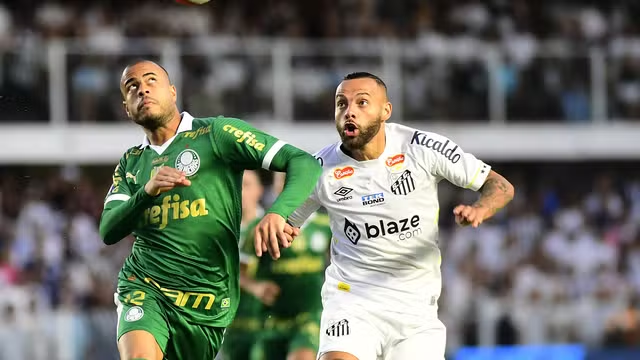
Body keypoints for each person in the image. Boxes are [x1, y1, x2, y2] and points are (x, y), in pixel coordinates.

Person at [278, 72, 515, 360]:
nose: (349, 111)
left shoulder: (422, 148)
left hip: (415, 311)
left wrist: (481, 209)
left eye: (362, 102)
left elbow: (500, 186)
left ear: (385, 111)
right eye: (341, 104)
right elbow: (284, 223)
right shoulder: (320, 169)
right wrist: (277, 229)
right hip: (352, 301)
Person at [99, 60, 322, 360]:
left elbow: (303, 162)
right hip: (145, 285)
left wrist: (277, 212)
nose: (142, 89)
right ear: (127, 108)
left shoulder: (217, 134)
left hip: (208, 302)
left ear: (173, 92)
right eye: (132, 87)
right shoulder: (131, 163)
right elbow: (109, 229)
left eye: (151, 80)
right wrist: (146, 192)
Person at [240, 172, 332, 360]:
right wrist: (256, 287)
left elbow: (343, 265)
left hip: (310, 317)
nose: (289, 184)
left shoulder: (326, 225)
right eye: (282, 180)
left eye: (294, 178)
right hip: (270, 321)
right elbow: (237, 272)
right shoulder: (259, 227)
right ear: (275, 186)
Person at [221, 169, 268, 360]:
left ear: (259, 190)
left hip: (266, 321)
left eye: (246, 185)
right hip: (231, 323)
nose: (240, 192)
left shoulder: (270, 227)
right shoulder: (220, 230)